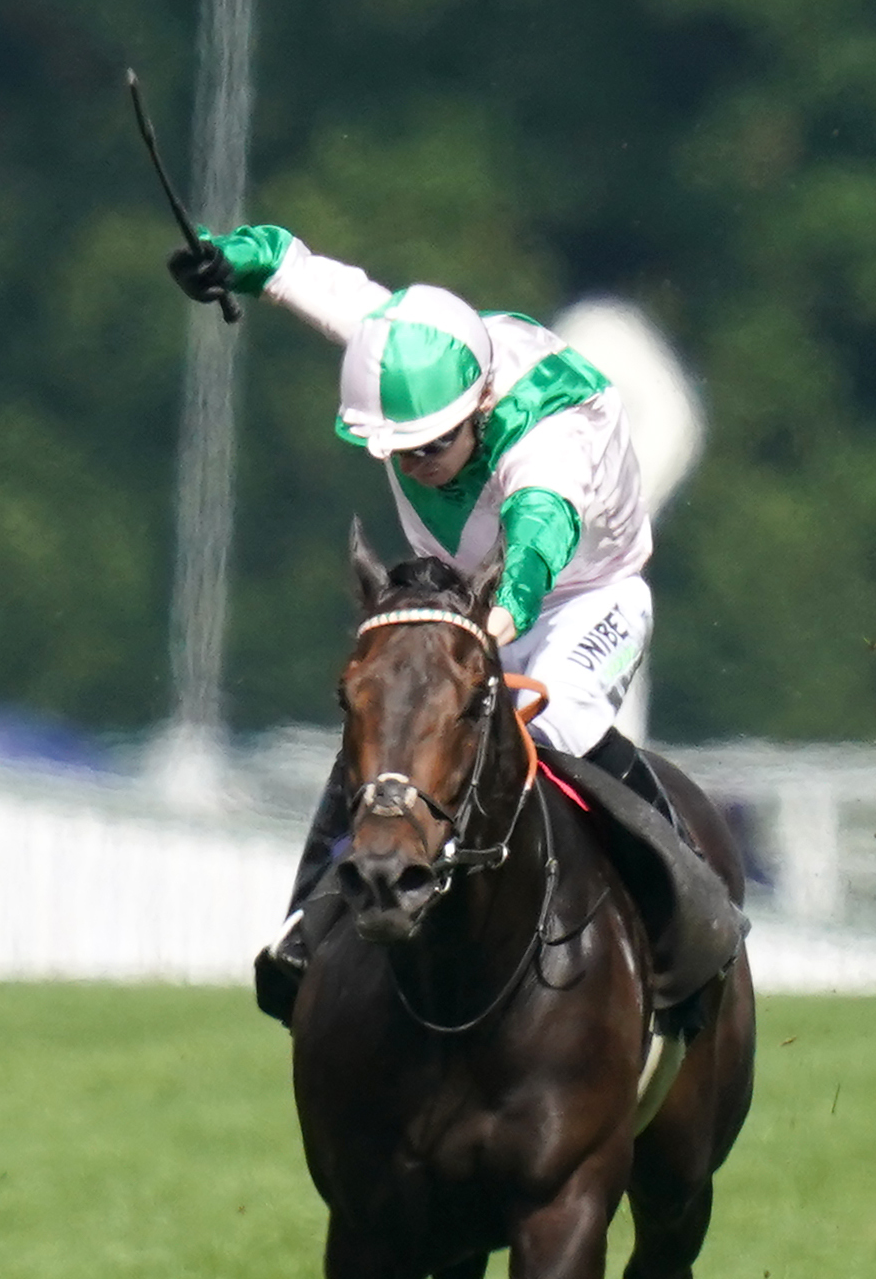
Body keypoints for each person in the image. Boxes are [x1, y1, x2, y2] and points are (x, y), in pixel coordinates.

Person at [169, 223, 665, 1023]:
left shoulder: (547, 444)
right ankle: (312, 917)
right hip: (469, 596)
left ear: (478, 407)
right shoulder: (403, 349)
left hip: (582, 595)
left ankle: (675, 903)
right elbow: (300, 272)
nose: (418, 464)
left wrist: (500, 621)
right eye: (400, 453)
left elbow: (540, 533)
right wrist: (229, 258)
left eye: (433, 447)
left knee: (558, 719)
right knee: (395, 711)